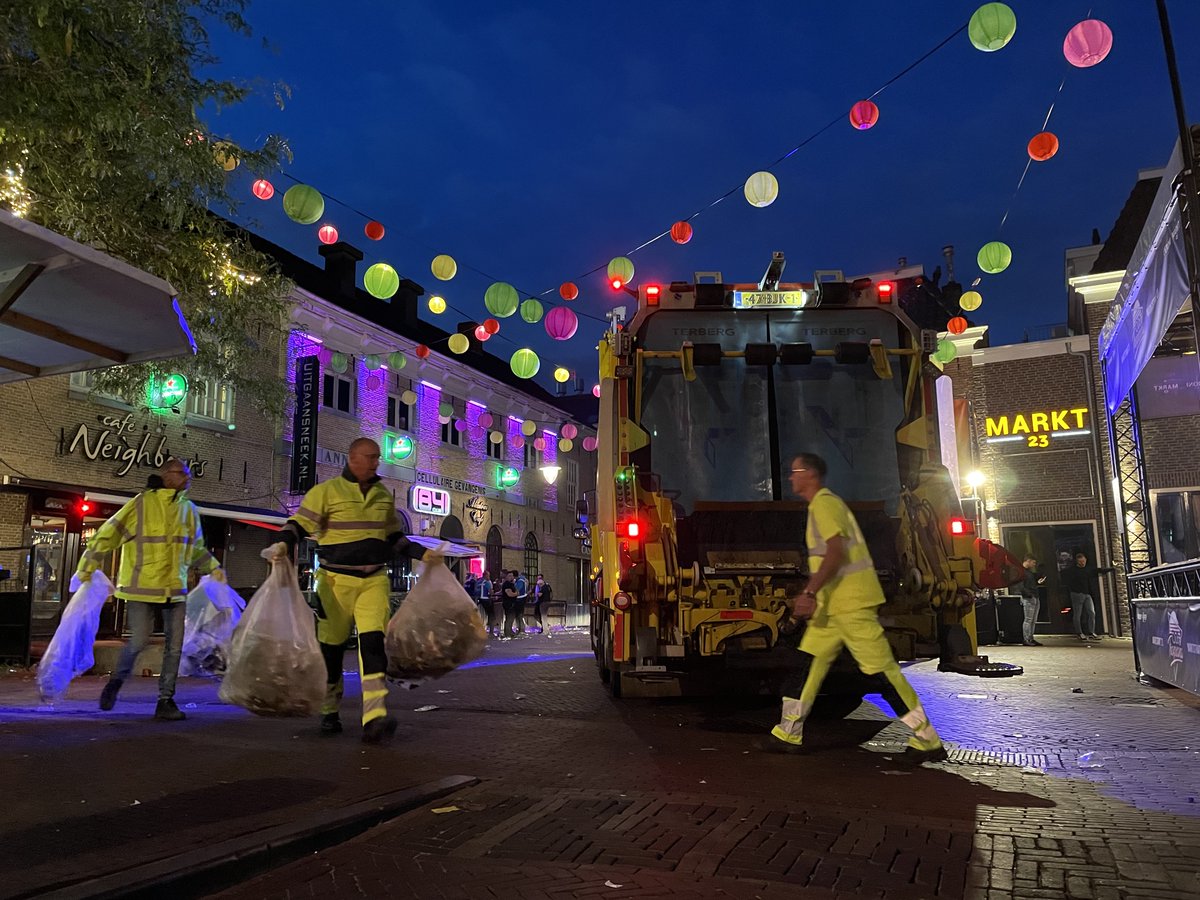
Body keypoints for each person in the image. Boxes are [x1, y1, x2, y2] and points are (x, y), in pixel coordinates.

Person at [764, 453, 946, 765]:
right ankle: (788, 732)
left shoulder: (824, 504)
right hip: (834, 609)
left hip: (851, 606)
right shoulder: (822, 506)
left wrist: (809, 591)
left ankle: (927, 739)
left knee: (881, 673)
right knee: (807, 666)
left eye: (795, 471)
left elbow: (836, 553)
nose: (791, 477)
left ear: (809, 474)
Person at [267, 438, 425, 743]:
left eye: (377, 458)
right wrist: (284, 543)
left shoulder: (382, 495)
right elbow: (298, 524)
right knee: (332, 649)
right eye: (370, 457)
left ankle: (374, 717)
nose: (376, 463)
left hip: (374, 581)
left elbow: (395, 537)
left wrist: (423, 554)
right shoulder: (326, 492)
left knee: (373, 646)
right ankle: (329, 709)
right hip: (335, 582)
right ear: (352, 458)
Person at [72, 460, 225, 721]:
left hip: (174, 590)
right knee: (138, 642)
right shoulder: (141, 504)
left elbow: (196, 547)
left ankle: (166, 700)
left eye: (188, 474)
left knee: (174, 648)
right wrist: (87, 566)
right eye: (182, 474)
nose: (188, 478)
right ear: (166, 476)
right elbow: (108, 534)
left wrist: (213, 567)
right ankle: (116, 682)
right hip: (141, 588)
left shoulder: (189, 510)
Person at [1060, 550, 1113, 642]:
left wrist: (1110, 569)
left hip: (1087, 594)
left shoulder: (1088, 569)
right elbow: (1065, 577)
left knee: (1091, 612)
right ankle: (1079, 632)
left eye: (1083, 561)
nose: (1082, 563)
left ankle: (1091, 632)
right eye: (1080, 562)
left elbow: (1098, 570)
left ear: (1086, 560)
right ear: (1077, 562)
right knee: (1078, 614)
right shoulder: (1073, 571)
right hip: (1077, 594)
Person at [1018, 557, 1047, 646]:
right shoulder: (1021, 572)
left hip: (1033, 596)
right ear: (1028, 561)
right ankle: (1027, 639)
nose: (1034, 565)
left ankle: (1030, 638)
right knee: (1029, 619)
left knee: (1032, 620)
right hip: (1029, 597)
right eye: (1033, 562)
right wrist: (1029, 594)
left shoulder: (1027, 572)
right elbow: (1021, 586)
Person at [476, 570, 497, 636]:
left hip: (479, 600)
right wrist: (493, 593)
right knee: (491, 616)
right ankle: (491, 632)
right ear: (486, 575)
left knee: (481, 615)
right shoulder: (487, 582)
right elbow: (491, 592)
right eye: (488, 575)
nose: (489, 577)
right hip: (486, 600)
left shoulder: (478, 582)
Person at [500, 570, 520, 639]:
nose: (511, 577)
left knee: (510, 618)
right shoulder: (507, 584)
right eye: (509, 576)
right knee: (509, 618)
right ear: (506, 577)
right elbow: (509, 594)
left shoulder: (511, 584)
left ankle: (509, 632)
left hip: (512, 603)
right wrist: (516, 593)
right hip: (509, 604)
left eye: (512, 576)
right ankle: (508, 633)